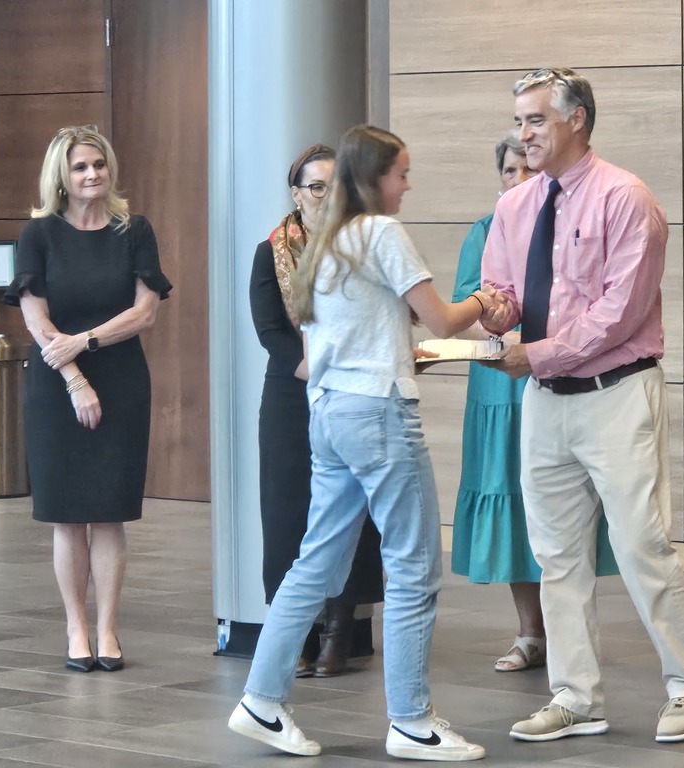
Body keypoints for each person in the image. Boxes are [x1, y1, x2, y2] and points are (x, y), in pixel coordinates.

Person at [228, 124, 508, 761]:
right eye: (402, 174)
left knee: (316, 561)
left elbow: (371, 327)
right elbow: (439, 316)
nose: (408, 185)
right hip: (378, 415)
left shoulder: (324, 239)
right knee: (414, 565)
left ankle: (261, 701)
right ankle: (411, 722)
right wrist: (486, 299)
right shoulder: (380, 232)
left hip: (329, 412)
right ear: (375, 177)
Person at [480, 68, 684, 744]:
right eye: (519, 121)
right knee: (556, 556)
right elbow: (499, 291)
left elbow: (621, 312)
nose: (523, 134)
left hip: (616, 394)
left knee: (643, 543)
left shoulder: (625, 197)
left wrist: (538, 353)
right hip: (544, 400)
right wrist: (494, 316)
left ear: (577, 119)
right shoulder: (515, 206)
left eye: (535, 120)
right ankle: (575, 696)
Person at [2, 125, 171, 673]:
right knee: (68, 516)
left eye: (98, 164)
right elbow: (35, 316)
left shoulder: (133, 230)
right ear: (62, 176)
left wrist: (89, 340)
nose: (92, 174)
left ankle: (108, 629)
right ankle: (76, 628)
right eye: (79, 167)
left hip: (121, 379)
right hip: (57, 386)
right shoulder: (39, 235)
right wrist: (74, 373)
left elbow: (146, 311)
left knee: (109, 514)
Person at [450, 131, 618, 673]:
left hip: (561, 374)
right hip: (501, 386)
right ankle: (530, 633)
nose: (518, 180)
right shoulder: (484, 231)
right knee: (510, 500)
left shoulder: (572, 224)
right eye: (508, 171)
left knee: (564, 508)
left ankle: (570, 630)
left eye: (527, 169)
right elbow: (465, 309)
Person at [249, 144, 383, 678]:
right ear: (297, 192)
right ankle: (298, 633)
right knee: (289, 512)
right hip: (291, 392)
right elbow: (270, 332)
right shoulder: (272, 250)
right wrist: (316, 370)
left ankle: (340, 632)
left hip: (352, 390)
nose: (326, 196)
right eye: (316, 186)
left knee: (351, 512)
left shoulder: (362, 246)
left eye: (336, 185)